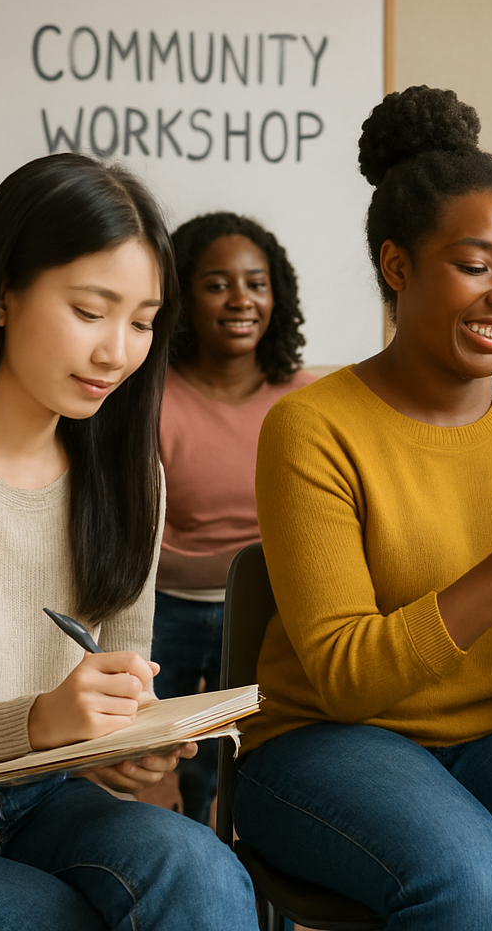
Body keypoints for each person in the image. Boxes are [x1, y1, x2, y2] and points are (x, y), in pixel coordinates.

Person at [232, 86, 492, 930]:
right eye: (476, 267)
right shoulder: (312, 427)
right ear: (398, 268)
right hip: (321, 738)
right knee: (471, 886)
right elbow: (347, 681)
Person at [0, 153, 258, 931]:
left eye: (143, 321)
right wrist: (35, 721)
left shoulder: (126, 474)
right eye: (91, 312)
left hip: (44, 798)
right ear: (2, 294)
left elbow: (120, 673)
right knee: (56, 918)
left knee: (199, 870)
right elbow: (42, 721)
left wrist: (124, 743)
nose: (116, 353)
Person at [152, 211, 315, 825]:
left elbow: (321, 535)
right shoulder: (148, 396)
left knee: (249, 761)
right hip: (162, 612)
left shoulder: (306, 401)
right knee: (157, 756)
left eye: (256, 283)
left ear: (278, 295)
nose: (241, 299)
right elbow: (141, 547)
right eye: (217, 285)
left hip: (268, 613)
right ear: (183, 299)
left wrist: (249, 567)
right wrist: (262, 554)